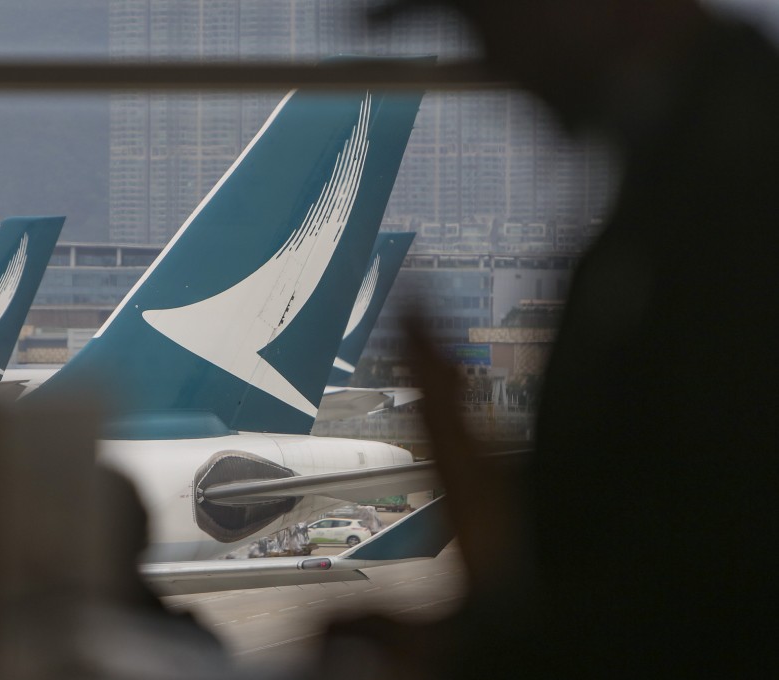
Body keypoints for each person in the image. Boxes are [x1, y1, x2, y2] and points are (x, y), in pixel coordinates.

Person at [325, 1, 779, 677]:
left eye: (493, 24)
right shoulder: (683, 168)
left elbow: (700, 599)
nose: (492, 63)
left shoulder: (732, 187)